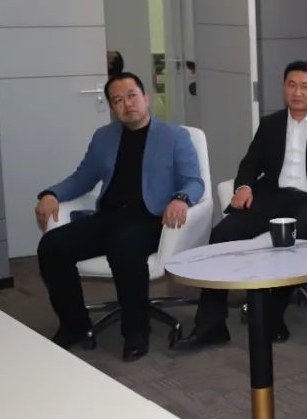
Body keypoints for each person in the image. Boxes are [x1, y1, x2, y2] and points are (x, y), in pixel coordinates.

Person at [174, 61, 307, 349]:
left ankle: (272, 317)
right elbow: (250, 163)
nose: (297, 92)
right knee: (222, 234)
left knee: (290, 244)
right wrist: (243, 187)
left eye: (304, 86)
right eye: (291, 85)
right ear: (283, 88)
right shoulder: (271, 124)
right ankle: (210, 324)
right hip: (271, 195)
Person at [35, 72, 203, 361]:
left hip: (151, 218)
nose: (127, 104)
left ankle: (136, 330)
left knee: (123, 247)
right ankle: (74, 324)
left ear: (146, 98)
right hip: (109, 217)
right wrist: (51, 194)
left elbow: (194, 182)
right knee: (51, 246)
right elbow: (82, 178)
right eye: (118, 100)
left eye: (132, 96)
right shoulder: (104, 137)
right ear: (113, 108)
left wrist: (181, 198)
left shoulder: (174, 136)